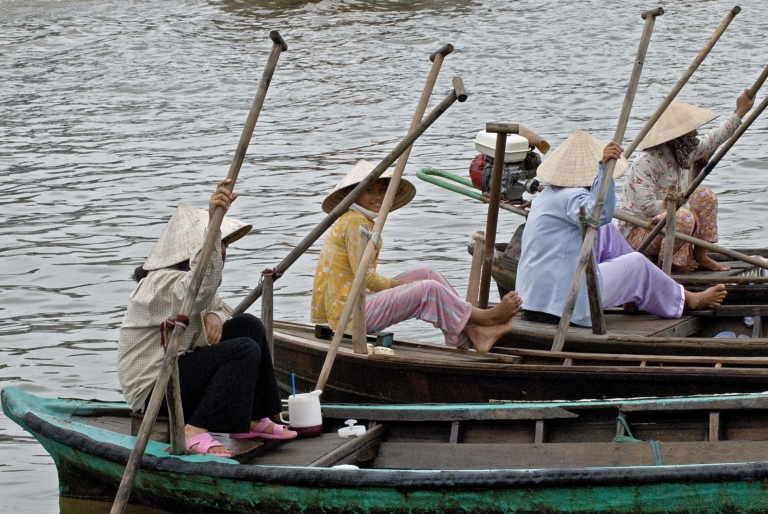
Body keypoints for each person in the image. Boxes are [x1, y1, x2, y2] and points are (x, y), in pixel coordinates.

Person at [118, 179, 295, 458]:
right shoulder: (159, 284)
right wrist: (213, 223)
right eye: (218, 244)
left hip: (179, 371)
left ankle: (253, 417)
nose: (223, 251)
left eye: (223, 244)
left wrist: (214, 314)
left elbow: (216, 304)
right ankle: (194, 429)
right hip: (155, 389)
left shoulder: (186, 283)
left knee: (249, 326)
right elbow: (198, 289)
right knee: (243, 350)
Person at [516, 130, 726, 328]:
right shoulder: (572, 198)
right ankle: (686, 299)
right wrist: (604, 170)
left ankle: (632, 293)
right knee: (637, 265)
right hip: (561, 303)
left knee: (606, 231)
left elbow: (600, 221)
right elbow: (601, 214)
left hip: (536, 298)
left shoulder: (546, 197)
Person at [310, 160, 522, 353]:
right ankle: (484, 317)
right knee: (428, 289)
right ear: (353, 194)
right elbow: (366, 279)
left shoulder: (358, 219)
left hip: (356, 300)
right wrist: (399, 285)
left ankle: (474, 331)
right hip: (350, 313)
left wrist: (402, 285)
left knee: (428, 274)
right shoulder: (356, 222)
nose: (378, 196)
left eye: (382, 190)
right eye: (369, 190)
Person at [619, 90, 754, 272]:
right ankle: (668, 263)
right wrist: (686, 208)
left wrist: (739, 113)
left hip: (667, 225)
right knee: (683, 217)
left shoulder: (684, 151)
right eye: (691, 134)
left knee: (706, 196)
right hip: (641, 232)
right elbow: (648, 207)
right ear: (676, 138)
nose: (695, 135)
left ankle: (700, 256)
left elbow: (713, 139)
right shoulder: (647, 161)